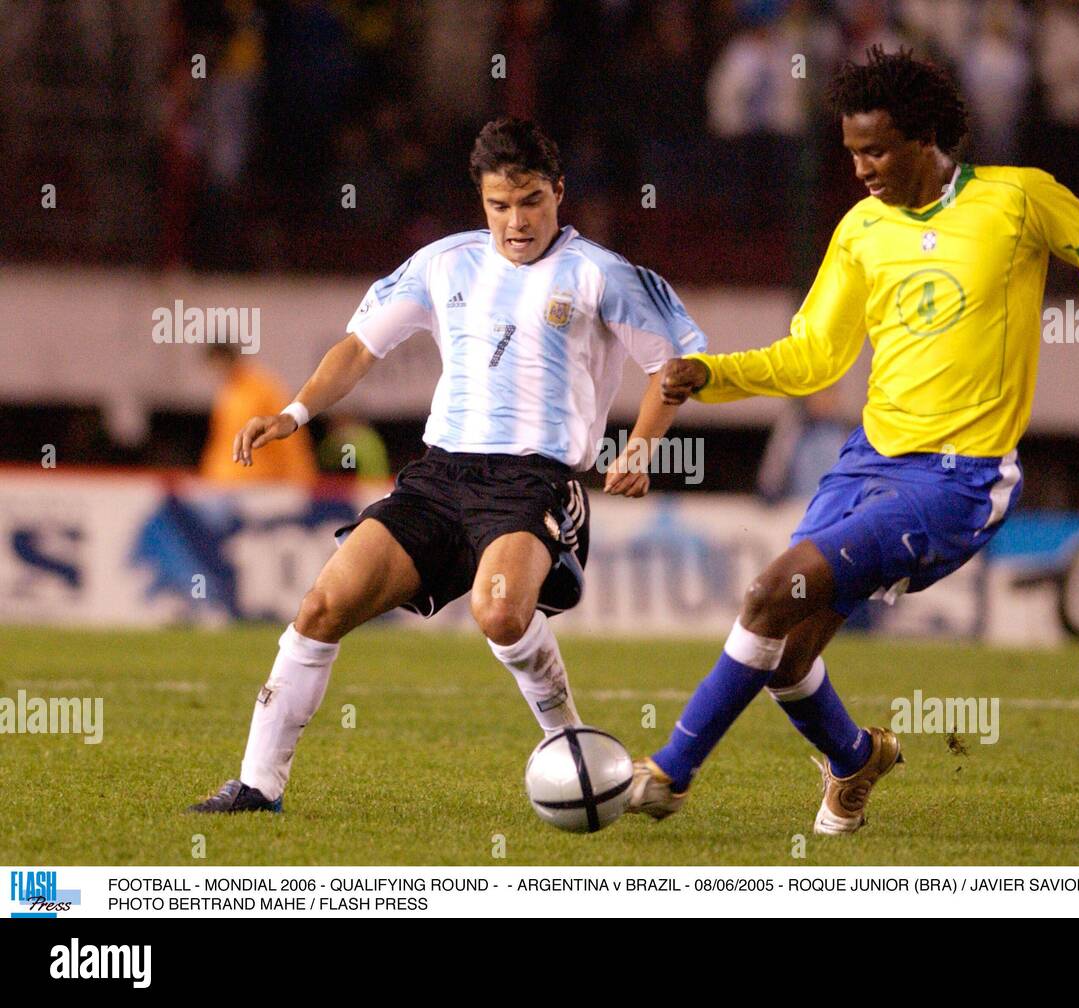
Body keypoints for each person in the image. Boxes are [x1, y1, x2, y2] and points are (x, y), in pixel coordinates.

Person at [628, 47, 1079, 834]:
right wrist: (710, 374)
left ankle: (667, 775)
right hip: (865, 463)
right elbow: (812, 356)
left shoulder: (1018, 199)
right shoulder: (862, 229)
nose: (860, 167)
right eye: (851, 151)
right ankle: (856, 758)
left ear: (925, 138)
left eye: (876, 149)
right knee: (788, 656)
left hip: (958, 479)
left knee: (765, 593)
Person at [190, 117, 705, 813]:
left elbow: (674, 368)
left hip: (532, 480)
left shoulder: (601, 275)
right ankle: (256, 788)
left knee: (499, 613)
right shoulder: (445, 263)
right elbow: (359, 348)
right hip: (439, 476)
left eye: (530, 202)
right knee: (321, 606)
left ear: (559, 192)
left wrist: (640, 448)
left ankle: (573, 754)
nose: (516, 221)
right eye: (499, 205)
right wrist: (296, 414)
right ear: (482, 201)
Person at [198, 342, 317, 486]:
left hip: (259, 482)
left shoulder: (263, 389)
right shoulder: (228, 392)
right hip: (226, 482)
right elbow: (222, 440)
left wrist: (300, 479)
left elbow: (290, 435)